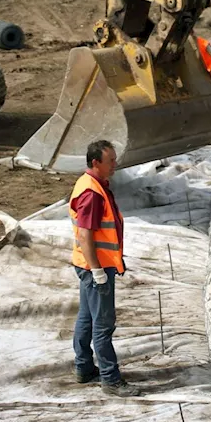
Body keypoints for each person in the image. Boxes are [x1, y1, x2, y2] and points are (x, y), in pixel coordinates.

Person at [69, 140, 140, 397]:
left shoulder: (93, 185)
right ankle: (110, 380)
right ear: (95, 162)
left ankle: (84, 368)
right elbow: (86, 235)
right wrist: (98, 271)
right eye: (110, 160)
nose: (115, 165)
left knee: (87, 319)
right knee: (103, 325)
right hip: (94, 268)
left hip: (89, 266)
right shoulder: (91, 193)